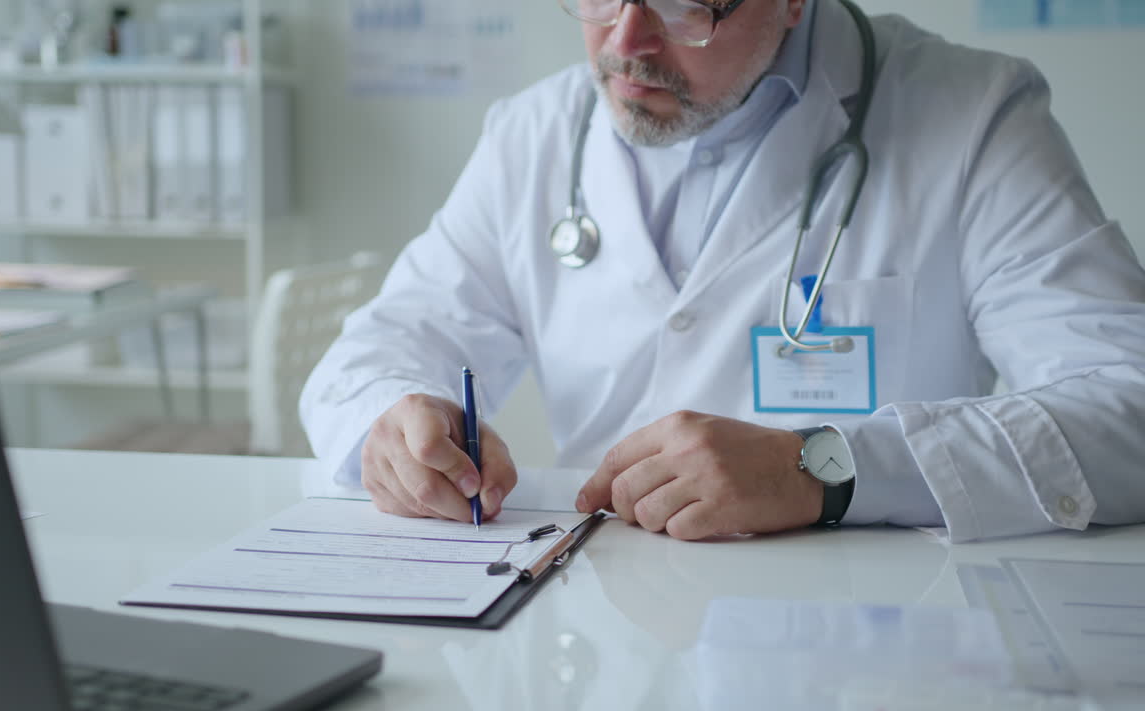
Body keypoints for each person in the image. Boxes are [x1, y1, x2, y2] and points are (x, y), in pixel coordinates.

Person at [301, 0, 1145, 542]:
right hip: (598, 626)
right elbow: (378, 351)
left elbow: (1127, 404)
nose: (626, 43)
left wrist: (828, 469)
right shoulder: (532, 136)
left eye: (684, 3)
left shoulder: (971, 117)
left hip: (870, 636)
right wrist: (392, 424)